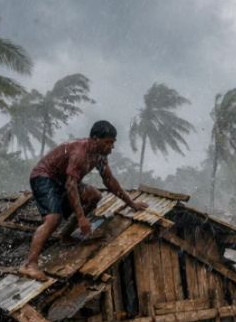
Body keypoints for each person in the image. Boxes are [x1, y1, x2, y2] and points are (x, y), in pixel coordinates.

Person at [20, 120, 145, 281]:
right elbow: (71, 185)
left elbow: (109, 181)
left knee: (94, 196)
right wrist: (81, 218)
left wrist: (131, 203)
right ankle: (29, 265)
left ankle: (65, 235)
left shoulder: (99, 156)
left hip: (63, 181)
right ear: (95, 139)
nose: (111, 147)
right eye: (108, 143)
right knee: (53, 219)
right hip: (45, 178)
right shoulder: (80, 153)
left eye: (112, 143)